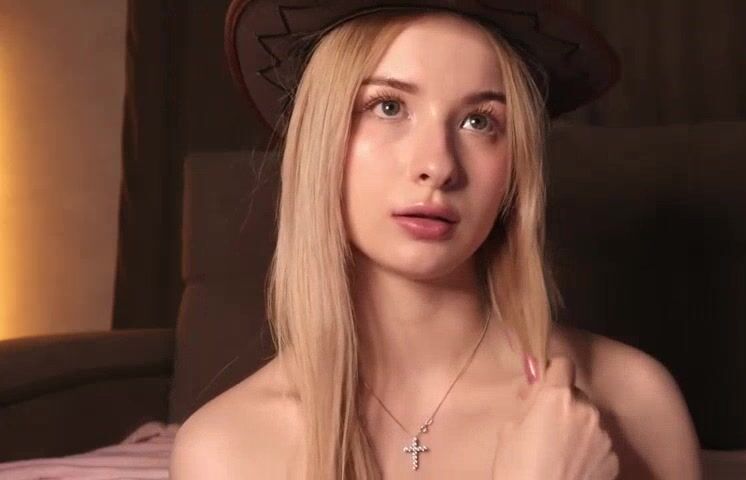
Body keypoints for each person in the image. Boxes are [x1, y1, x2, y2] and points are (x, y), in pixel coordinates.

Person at [171, 1, 702, 478]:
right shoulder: (224, 451)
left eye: (479, 121)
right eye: (388, 106)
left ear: (516, 167)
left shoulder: (631, 403)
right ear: (319, 137)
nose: (438, 165)